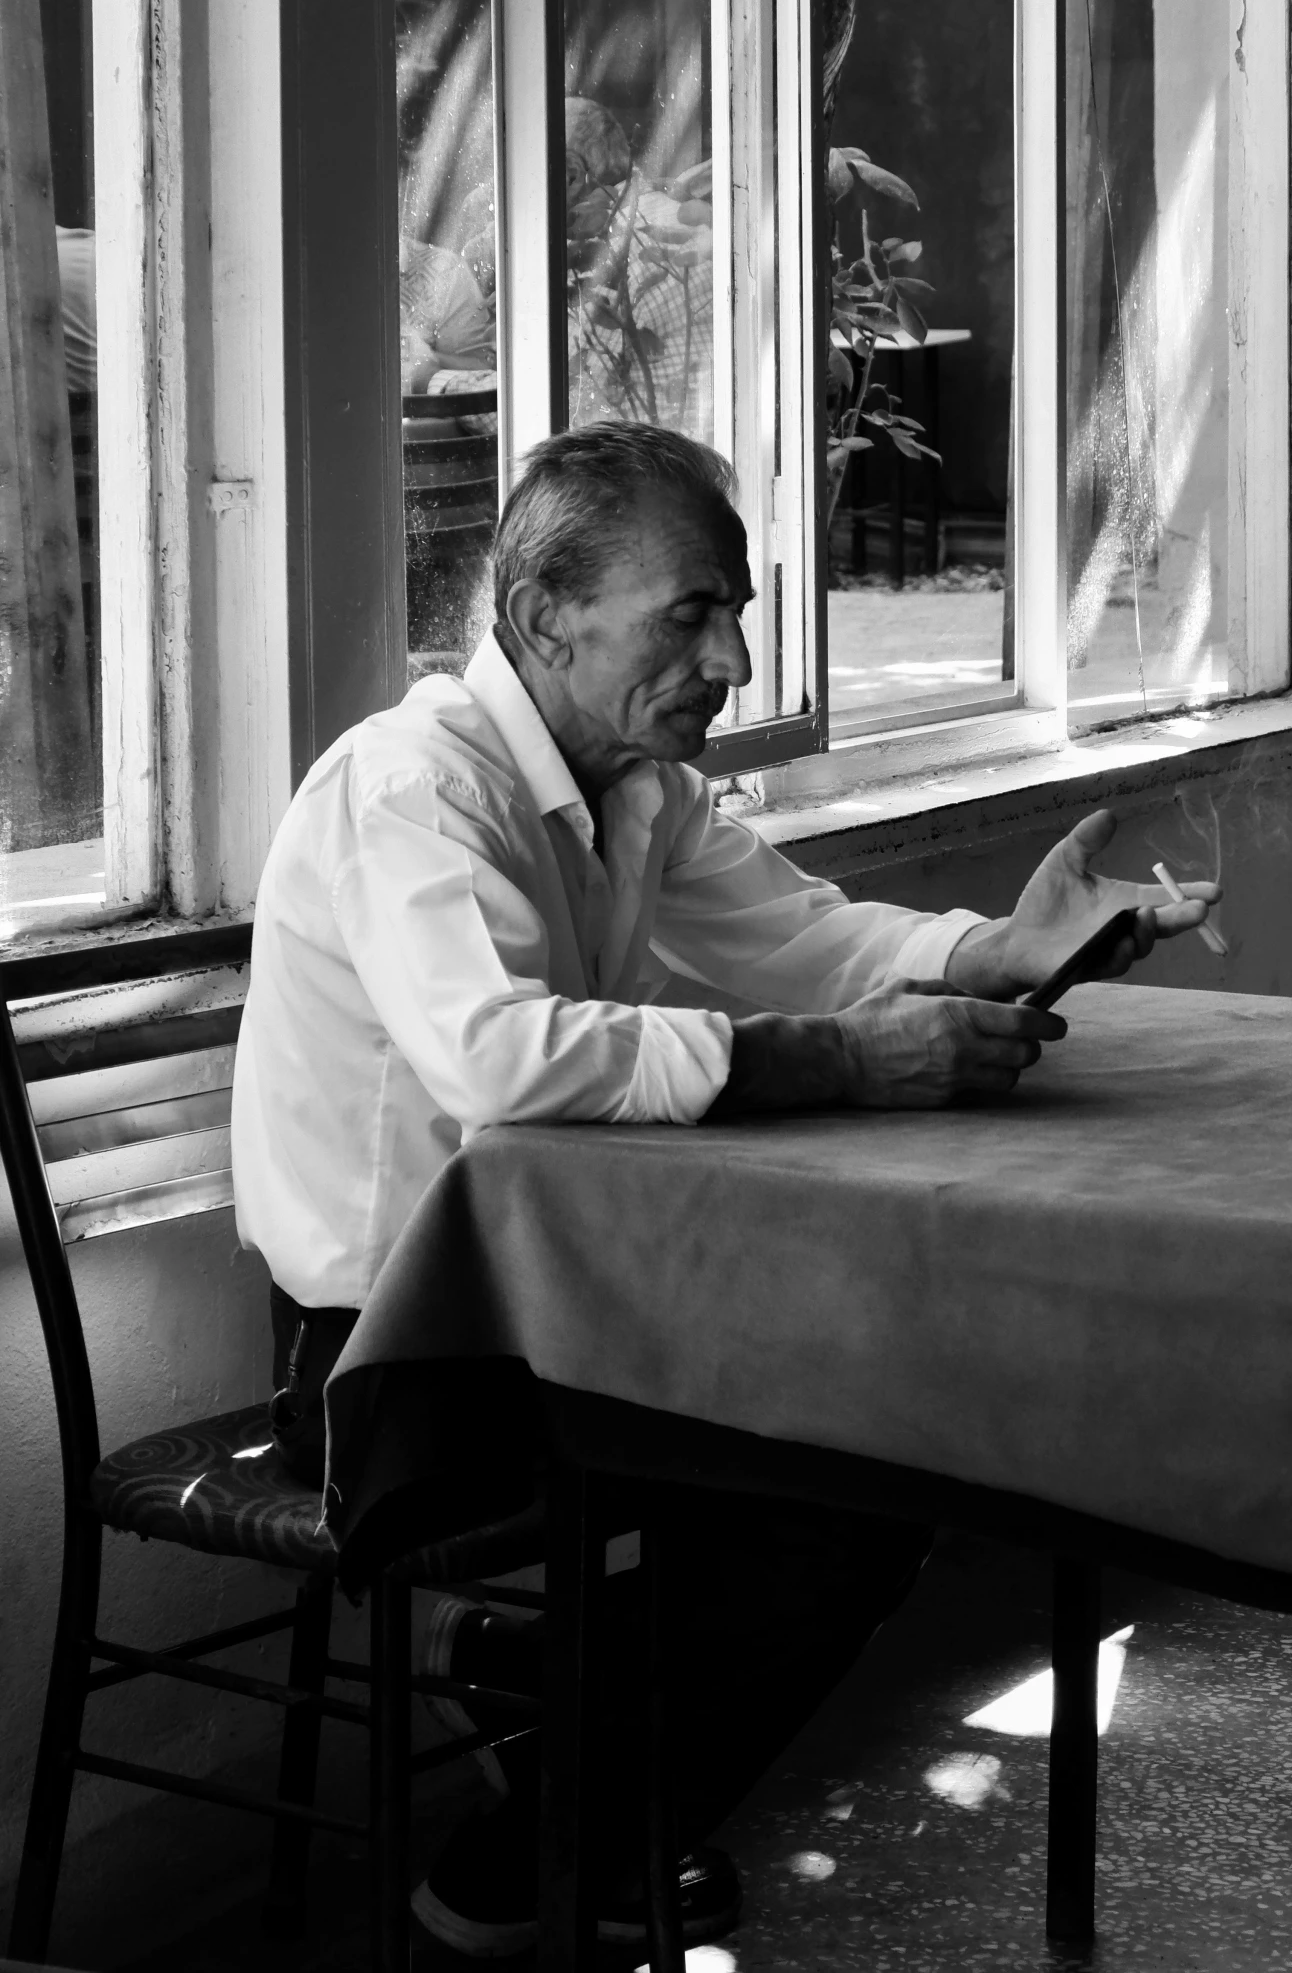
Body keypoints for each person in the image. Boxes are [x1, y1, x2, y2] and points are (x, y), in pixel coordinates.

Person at [231, 422, 1217, 1960]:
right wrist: (831, 1063)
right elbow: (498, 1057)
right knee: (840, 1493)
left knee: (882, 1440)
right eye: (690, 611)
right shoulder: (411, 788)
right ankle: (516, 1869)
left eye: (737, 610)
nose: (736, 658)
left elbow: (807, 935)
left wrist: (999, 952)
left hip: (553, 1308)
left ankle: (544, 1727)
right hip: (379, 1355)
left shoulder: (633, 788)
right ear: (547, 616)